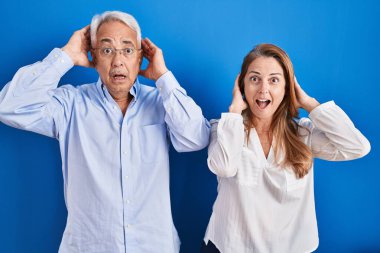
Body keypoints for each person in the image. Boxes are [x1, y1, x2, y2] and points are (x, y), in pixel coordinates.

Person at [0, 11, 210, 253]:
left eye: (128, 50)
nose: (118, 61)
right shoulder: (71, 104)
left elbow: (197, 138)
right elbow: (8, 106)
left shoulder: (162, 102)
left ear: (141, 58)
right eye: (107, 50)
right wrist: (66, 56)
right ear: (93, 57)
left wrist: (163, 77)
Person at [201, 44, 370, 253]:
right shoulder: (224, 127)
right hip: (228, 247)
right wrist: (235, 110)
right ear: (242, 85)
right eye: (254, 79)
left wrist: (308, 103)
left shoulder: (303, 133)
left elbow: (357, 147)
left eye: (274, 80)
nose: (263, 89)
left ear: (286, 87)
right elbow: (224, 168)